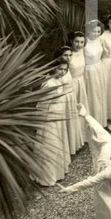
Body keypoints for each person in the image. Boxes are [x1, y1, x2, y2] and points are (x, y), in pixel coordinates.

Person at [33, 58, 72, 186]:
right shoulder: (49, 83)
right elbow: (42, 104)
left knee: (58, 141)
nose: (62, 72)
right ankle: (47, 176)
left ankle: (58, 171)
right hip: (49, 116)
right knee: (50, 142)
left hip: (58, 113)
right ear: (53, 68)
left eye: (65, 69)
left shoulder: (58, 80)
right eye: (60, 69)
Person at [56, 45, 85, 154]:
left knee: (72, 121)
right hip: (62, 99)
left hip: (71, 97)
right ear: (60, 56)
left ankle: (73, 144)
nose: (68, 57)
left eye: (70, 55)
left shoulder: (67, 68)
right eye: (65, 55)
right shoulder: (58, 70)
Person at [83, 20, 107, 127]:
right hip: (89, 72)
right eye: (94, 31)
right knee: (92, 97)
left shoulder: (99, 40)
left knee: (100, 95)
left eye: (99, 31)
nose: (97, 34)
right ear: (88, 31)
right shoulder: (84, 43)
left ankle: (101, 121)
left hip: (99, 69)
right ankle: (91, 124)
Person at [68, 31, 91, 138]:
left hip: (81, 82)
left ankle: (82, 134)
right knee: (72, 107)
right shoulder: (68, 54)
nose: (79, 45)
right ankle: (73, 136)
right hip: (71, 83)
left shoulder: (84, 52)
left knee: (82, 107)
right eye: (76, 41)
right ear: (71, 41)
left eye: (82, 42)